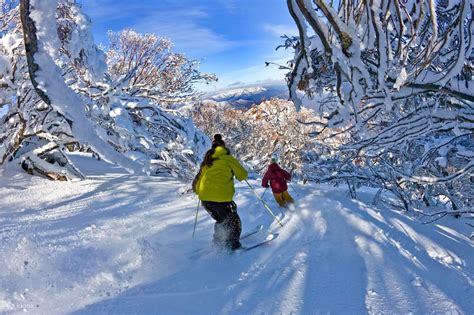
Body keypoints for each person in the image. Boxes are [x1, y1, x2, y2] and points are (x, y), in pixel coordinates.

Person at [193, 134, 248, 251]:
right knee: (233, 221)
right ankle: (233, 245)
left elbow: (199, 180)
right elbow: (243, 175)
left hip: (205, 200)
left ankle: (219, 241)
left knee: (221, 220)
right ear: (224, 148)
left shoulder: (207, 161)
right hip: (222, 200)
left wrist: (199, 192)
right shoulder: (228, 159)